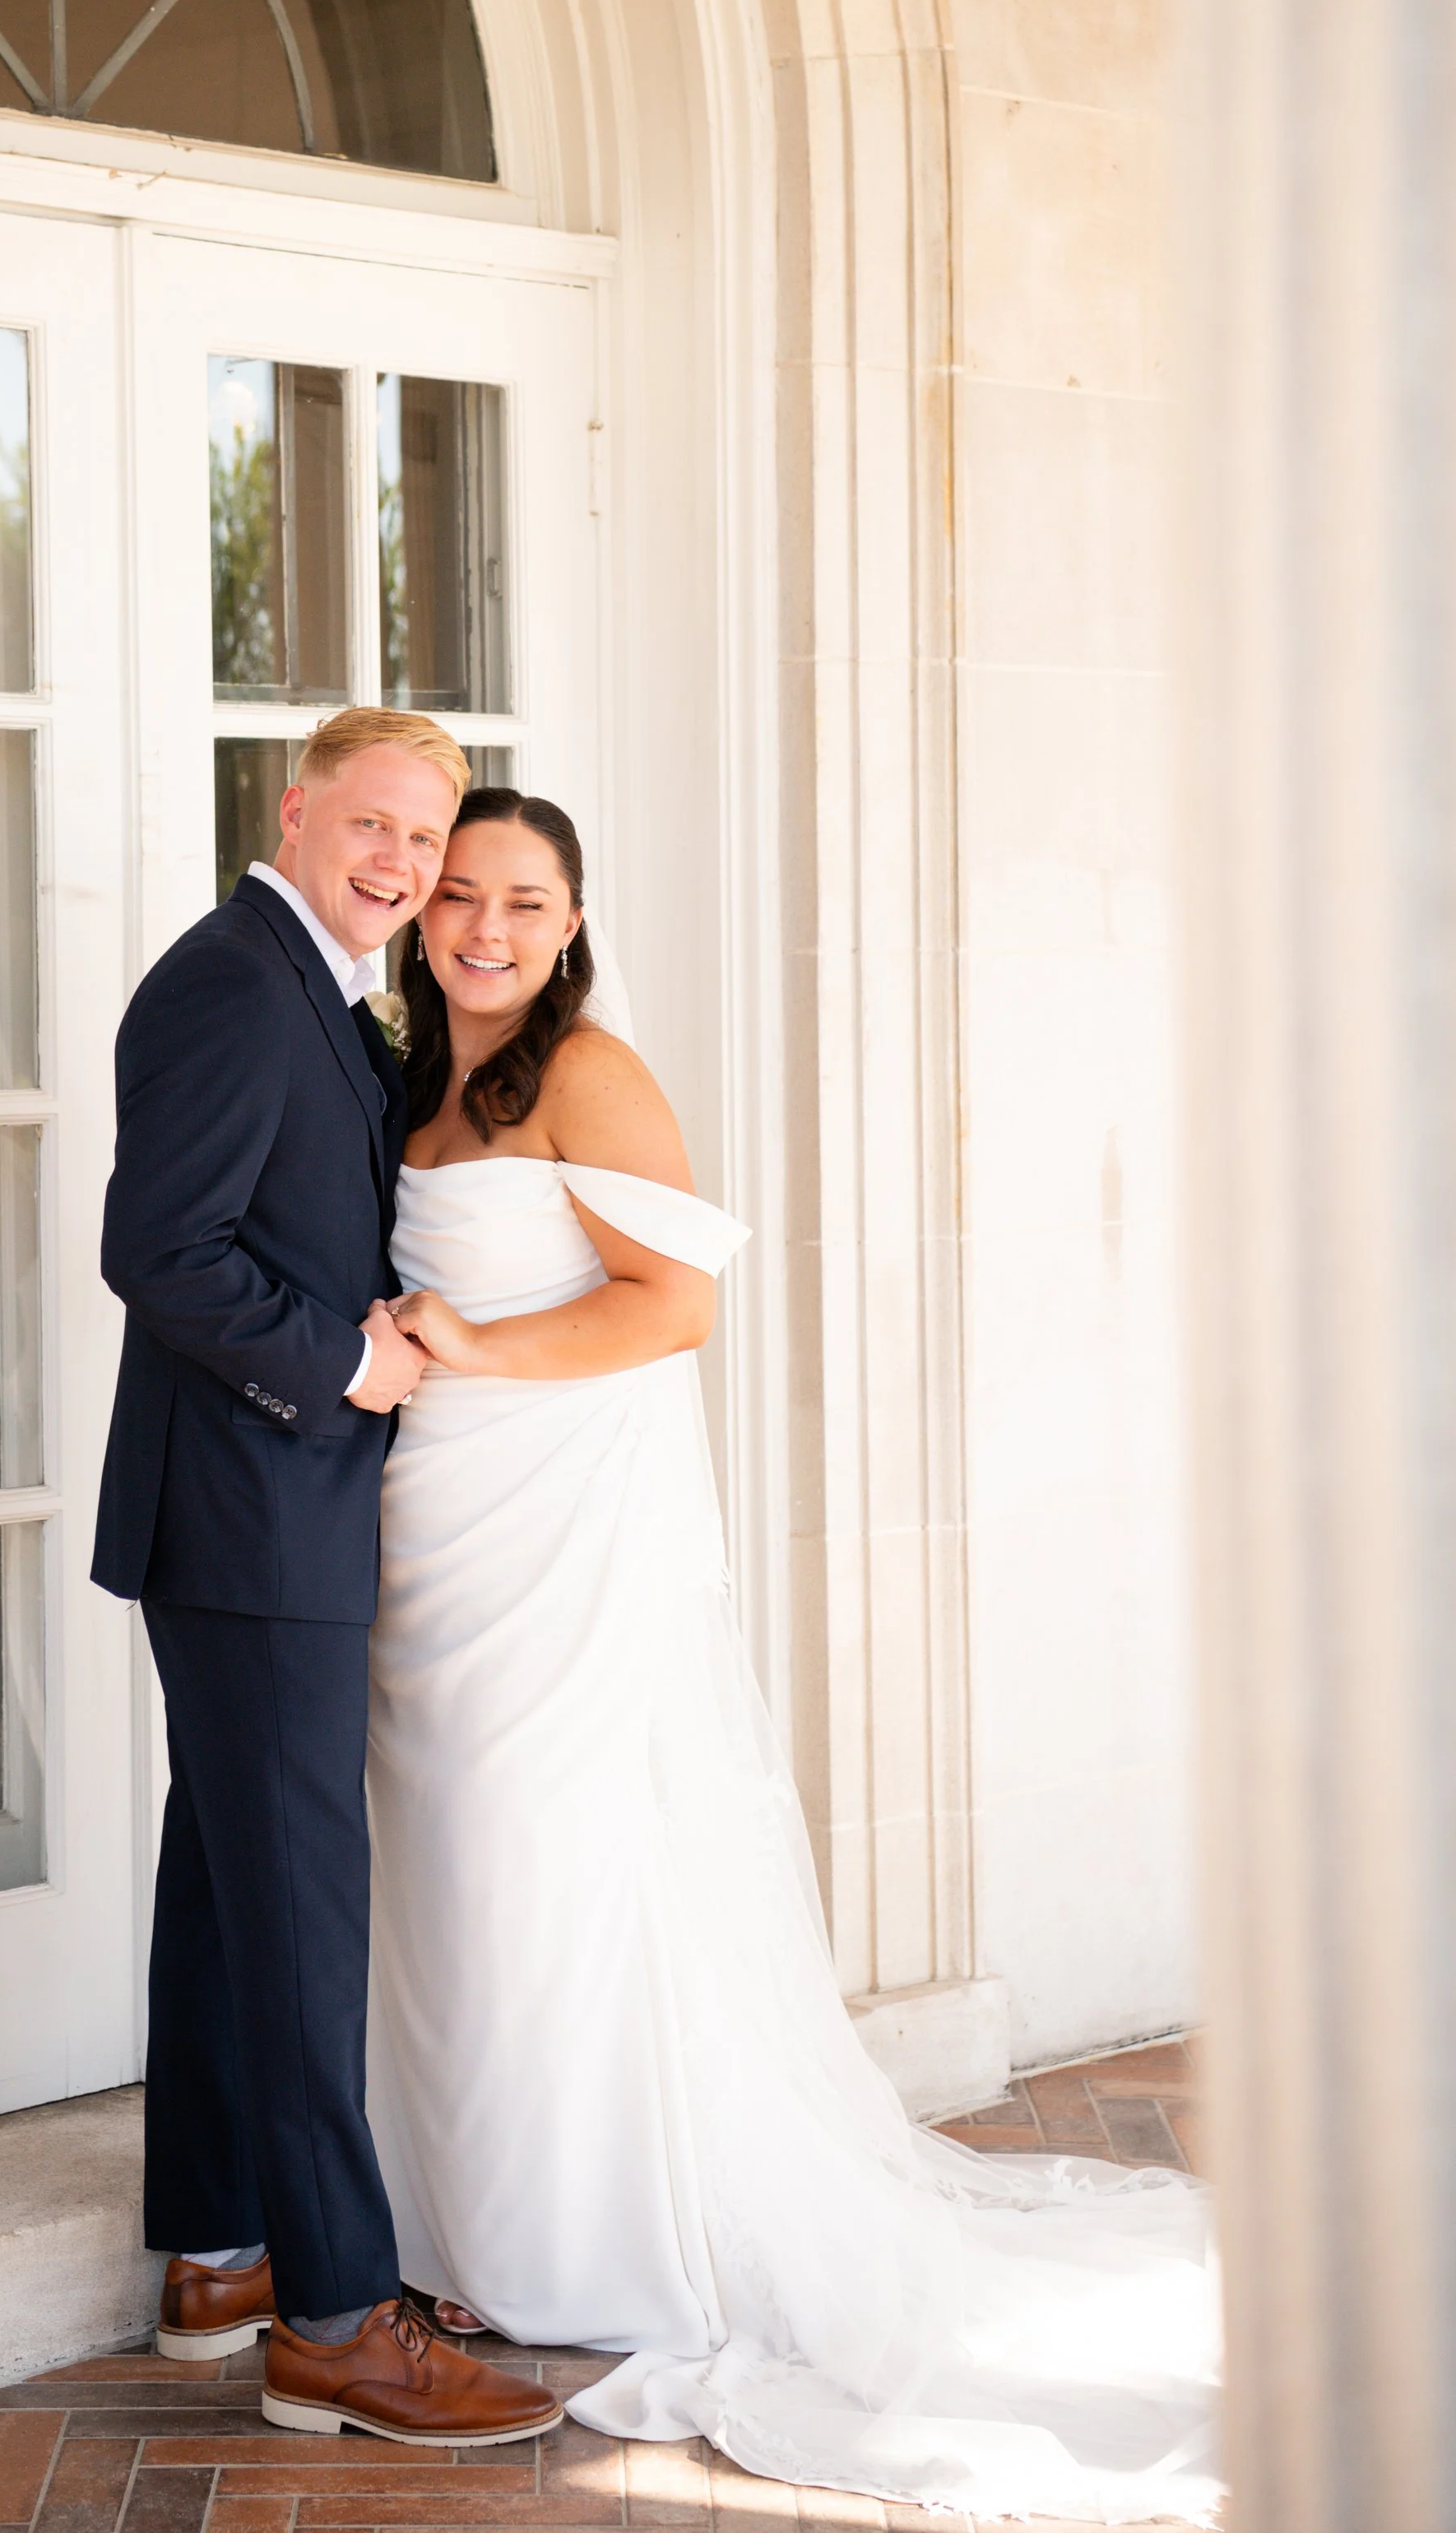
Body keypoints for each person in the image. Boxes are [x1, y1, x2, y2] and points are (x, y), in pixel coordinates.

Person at [366, 788, 1222, 2526]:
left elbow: (671, 1304)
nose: (482, 925)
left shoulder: (586, 1070)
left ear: (569, 917)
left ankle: (578, 2237)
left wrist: (470, 1342)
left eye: (521, 899)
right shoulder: (408, 1073)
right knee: (445, 1866)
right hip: (428, 1520)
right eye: (457, 893)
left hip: (553, 1520)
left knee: (549, 1858)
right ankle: (453, 2219)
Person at [92, 711, 563, 2451]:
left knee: (229, 1887)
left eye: (420, 846)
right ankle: (337, 2320)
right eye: (369, 826)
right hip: (251, 1509)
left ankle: (218, 2258)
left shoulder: (311, 985)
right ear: (293, 812)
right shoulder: (230, 981)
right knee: (302, 1913)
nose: (397, 867)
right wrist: (336, 1368)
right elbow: (159, 1252)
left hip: (253, 1521)